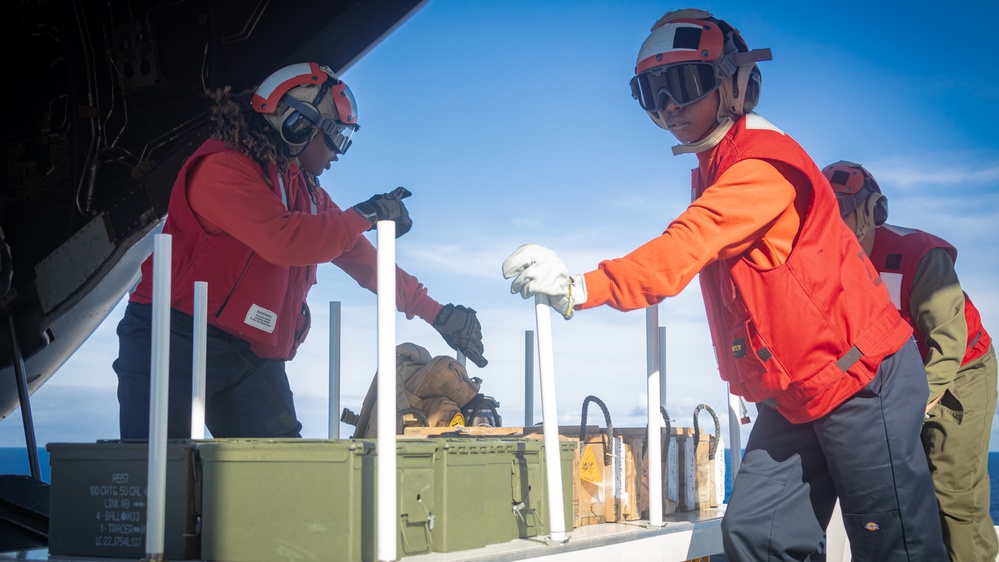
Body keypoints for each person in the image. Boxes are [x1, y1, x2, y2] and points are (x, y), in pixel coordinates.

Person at [502, 9, 947, 561]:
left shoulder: (762, 164)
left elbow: (686, 244)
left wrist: (580, 287)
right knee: (756, 534)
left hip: (860, 379)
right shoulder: (718, 163)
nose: (669, 108)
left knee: (894, 545)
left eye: (684, 85)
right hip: (795, 393)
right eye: (652, 92)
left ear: (735, 83)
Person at [113, 62, 487, 440]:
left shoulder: (303, 190)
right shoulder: (222, 169)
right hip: (173, 339)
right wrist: (366, 213)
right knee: (158, 478)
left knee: (282, 474)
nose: (339, 152)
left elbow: (360, 257)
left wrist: (437, 313)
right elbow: (286, 240)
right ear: (297, 124)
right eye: (335, 136)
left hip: (250, 355)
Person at [824, 160, 997, 562]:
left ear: (871, 213)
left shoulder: (920, 255)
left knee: (953, 490)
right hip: (893, 377)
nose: (829, 224)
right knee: (892, 493)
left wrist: (909, 411)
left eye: (840, 210)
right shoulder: (825, 269)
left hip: (960, 372)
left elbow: (947, 345)